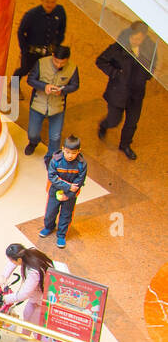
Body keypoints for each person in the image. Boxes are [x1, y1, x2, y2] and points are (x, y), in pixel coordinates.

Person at [96, 21, 156, 161]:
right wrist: (115, 73)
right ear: (129, 35)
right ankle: (104, 125)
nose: (137, 41)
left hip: (137, 92)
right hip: (119, 92)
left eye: (140, 39)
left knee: (132, 123)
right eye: (134, 38)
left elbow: (153, 62)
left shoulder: (150, 47)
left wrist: (148, 75)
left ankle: (125, 145)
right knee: (114, 120)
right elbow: (100, 61)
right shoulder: (117, 48)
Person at [24, 45, 79, 159]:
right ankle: (33, 142)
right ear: (53, 56)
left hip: (57, 107)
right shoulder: (41, 63)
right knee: (32, 133)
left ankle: (51, 157)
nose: (59, 65)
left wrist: (63, 90)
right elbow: (30, 79)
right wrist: (44, 86)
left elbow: (75, 85)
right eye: (56, 62)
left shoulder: (73, 68)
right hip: (38, 104)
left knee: (55, 136)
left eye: (62, 63)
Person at [39, 135, 86, 249]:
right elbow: (52, 177)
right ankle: (49, 227)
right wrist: (68, 187)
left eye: (73, 153)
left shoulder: (82, 164)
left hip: (71, 196)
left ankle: (61, 235)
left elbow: (79, 182)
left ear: (79, 151)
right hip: (54, 191)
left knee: (66, 215)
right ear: (63, 148)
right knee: (50, 212)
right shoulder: (55, 161)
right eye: (67, 152)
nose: (70, 155)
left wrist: (69, 194)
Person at [13, 0, 67, 86]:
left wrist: (57, 44)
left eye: (53, 2)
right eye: (47, 1)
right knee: (24, 69)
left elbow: (62, 30)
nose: (50, 5)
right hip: (31, 51)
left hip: (48, 52)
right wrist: (24, 50)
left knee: (43, 72)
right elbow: (21, 31)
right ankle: (13, 85)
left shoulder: (60, 11)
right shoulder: (32, 15)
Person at [0, 243, 53, 325]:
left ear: (19, 260)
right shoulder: (29, 253)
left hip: (43, 299)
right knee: (27, 315)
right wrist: (5, 277)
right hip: (37, 296)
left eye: (12, 260)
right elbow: (13, 262)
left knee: (34, 322)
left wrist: (6, 298)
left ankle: (30, 337)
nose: (11, 262)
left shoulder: (33, 272)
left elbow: (24, 294)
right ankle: (24, 337)